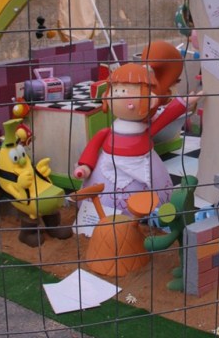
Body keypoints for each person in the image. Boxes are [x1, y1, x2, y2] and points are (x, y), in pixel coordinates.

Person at [73, 42, 201, 216]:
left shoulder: (145, 130)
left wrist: (183, 103)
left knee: (151, 201)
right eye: (117, 90)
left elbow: (165, 118)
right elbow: (92, 147)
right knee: (105, 201)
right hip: (108, 164)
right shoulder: (108, 132)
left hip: (144, 162)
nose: (120, 96)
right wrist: (85, 167)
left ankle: (149, 217)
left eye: (126, 90)